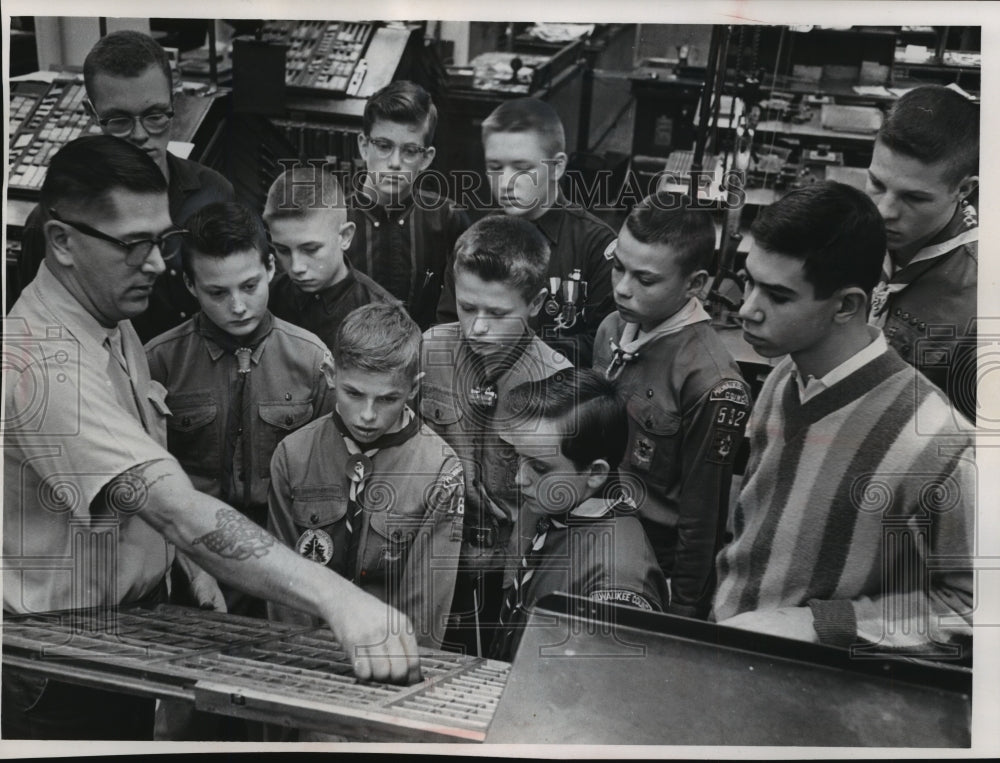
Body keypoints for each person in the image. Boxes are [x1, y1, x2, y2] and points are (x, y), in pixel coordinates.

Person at [2, 135, 419, 741]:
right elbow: (174, 506)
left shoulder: (107, 322)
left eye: (161, 241)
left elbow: (140, 479)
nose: (155, 264)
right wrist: (341, 600)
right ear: (62, 241)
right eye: (132, 245)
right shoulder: (43, 363)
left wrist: (186, 566)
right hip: (57, 666)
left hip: (117, 633)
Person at [712, 181, 974, 657]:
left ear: (848, 305)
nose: (748, 309)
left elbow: (971, 608)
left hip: (813, 681)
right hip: (731, 652)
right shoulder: (782, 376)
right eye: (749, 281)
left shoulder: (940, 442)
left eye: (778, 296)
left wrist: (821, 624)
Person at [145, 201, 334, 618]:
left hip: (285, 564)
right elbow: (150, 492)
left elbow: (328, 482)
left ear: (271, 268)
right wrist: (193, 569)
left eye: (249, 286)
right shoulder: (159, 363)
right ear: (191, 285)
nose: (237, 306)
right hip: (191, 562)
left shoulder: (311, 360)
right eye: (217, 292)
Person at [17, 30, 235, 342]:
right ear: (91, 114)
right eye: (119, 120)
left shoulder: (213, 194)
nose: (140, 135)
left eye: (155, 115)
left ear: (174, 103)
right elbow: (40, 334)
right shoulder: (53, 219)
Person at [268, 301, 463, 649]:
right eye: (354, 394)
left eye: (387, 399)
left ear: (414, 388)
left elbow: (424, 608)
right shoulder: (293, 454)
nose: (367, 415)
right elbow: (283, 585)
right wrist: (298, 659)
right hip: (304, 652)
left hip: (390, 654)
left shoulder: (440, 472)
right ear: (330, 374)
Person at [592, 194, 750, 619]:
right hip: (594, 537)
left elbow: (703, 520)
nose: (622, 288)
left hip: (652, 567)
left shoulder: (712, 383)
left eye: (645, 280)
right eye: (618, 267)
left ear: (694, 284)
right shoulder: (612, 329)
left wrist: (684, 612)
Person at [421, 215, 572, 655]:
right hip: (432, 561)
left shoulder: (558, 383)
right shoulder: (429, 350)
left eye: (498, 313)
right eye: (467, 307)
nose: (478, 328)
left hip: (506, 575)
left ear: (536, 303)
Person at [489, 368, 668, 662]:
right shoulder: (548, 507)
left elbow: (601, 682)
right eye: (518, 457)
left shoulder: (617, 578)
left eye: (540, 467)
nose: (520, 479)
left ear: (595, 473)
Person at [437, 97, 616, 367]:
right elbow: (448, 328)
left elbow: (604, 345)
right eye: (495, 167)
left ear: (557, 166)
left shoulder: (597, 245)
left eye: (522, 168)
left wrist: (516, 354)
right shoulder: (472, 241)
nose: (505, 182)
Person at [866, 84, 979, 424]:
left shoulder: (982, 296)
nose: (884, 211)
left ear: (964, 189)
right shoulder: (848, 230)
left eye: (914, 198)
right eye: (877, 184)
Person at [347, 80, 470, 330]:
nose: (394, 162)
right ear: (363, 146)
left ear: (426, 158)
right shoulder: (335, 216)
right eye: (383, 146)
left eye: (410, 150)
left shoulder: (448, 219)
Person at [263, 165, 395, 352]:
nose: (296, 267)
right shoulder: (265, 299)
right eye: (283, 250)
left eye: (310, 249)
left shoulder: (384, 317)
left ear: (345, 236)